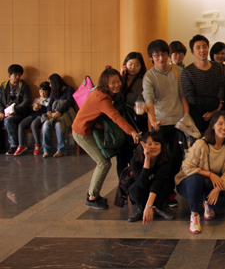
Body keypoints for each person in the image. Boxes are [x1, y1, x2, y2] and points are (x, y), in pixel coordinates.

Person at [72, 67, 140, 209]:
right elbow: (116, 117)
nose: (116, 85)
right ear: (105, 84)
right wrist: (132, 132)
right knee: (103, 163)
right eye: (112, 83)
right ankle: (92, 197)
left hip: (88, 129)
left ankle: (93, 193)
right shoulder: (102, 98)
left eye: (117, 81)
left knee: (104, 161)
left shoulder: (101, 91)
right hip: (82, 132)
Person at [143, 39, 190, 209]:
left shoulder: (178, 71)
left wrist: (186, 117)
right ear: (152, 58)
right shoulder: (149, 76)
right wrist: (153, 120)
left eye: (163, 54)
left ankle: (170, 193)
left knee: (176, 159)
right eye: (157, 55)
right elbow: (148, 101)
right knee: (160, 160)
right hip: (160, 124)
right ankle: (156, 194)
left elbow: (183, 96)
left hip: (178, 123)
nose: (161, 58)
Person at [175, 111, 225, 234]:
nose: (224, 128)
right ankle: (194, 216)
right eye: (220, 124)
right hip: (187, 184)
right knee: (196, 177)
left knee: (219, 202)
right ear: (213, 126)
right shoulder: (201, 144)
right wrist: (210, 174)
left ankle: (206, 203)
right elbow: (186, 167)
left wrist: (218, 189)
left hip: (210, 185)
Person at [127, 132, 174, 224]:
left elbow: (157, 181)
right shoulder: (135, 159)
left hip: (158, 187)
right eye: (149, 144)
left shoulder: (166, 158)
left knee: (166, 185)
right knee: (134, 189)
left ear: (162, 146)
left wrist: (149, 205)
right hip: (142, 187)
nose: (153, 147)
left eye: (157, 144)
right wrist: (147, 160)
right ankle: (141, 209)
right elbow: (142, 183)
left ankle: (158, 207)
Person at [181, 35, 225, 133]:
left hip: (216, 112)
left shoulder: (216, 67)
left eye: (204, 46)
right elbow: (189, 96)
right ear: (192, 52)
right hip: (197, 115)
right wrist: (208, 106)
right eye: (198, 47)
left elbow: (221, 87)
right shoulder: (188, 71)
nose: (202, 50)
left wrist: (215, 110)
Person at [117, 52, 148, 176]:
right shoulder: (118, 80)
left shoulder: (143, 81)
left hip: (136, 120)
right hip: (120, 120)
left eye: (136, 64)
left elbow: (143, 99)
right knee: (120, 157)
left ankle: (135, 181)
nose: (133, 67)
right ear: (125, 64)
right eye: (130, 64)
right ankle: (122, 185)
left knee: (134, 154)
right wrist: (121, 76)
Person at [41, 73, 76, 158]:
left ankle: (61, 149)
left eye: (50, 83)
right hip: (54, 114)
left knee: (59, 125)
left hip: (65, 114)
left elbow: (70, 102)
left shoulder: (69, 89)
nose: (49, 85)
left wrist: (60, 111)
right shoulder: (54, 91)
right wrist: (49, 111)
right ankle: (47, 150)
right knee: (46, 125)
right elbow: (50, 103)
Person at [0, 64, 31, 155]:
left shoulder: (24, 86)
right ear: (9, 75)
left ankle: (14, 145)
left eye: (19, 75)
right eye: (15, 75)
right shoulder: (3, 86)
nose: (17, 77)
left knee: (8, 121)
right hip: (5, 112)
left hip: (19, 113)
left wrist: (16, 111)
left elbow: (26, 101)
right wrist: (1, 112)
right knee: (3, 118)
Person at [15, 82, 50, 156]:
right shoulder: (37, 99)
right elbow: (30, 111)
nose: (42, 93)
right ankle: (21, 145)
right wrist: (33, 108)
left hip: (41, 116)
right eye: (40, 91)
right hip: (32, 115)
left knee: (34, 124)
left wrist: (41, 107)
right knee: (21, 124)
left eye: (44, 91)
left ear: (48, 91)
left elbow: (48, 111)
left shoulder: (49, 100)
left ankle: (37, 144)